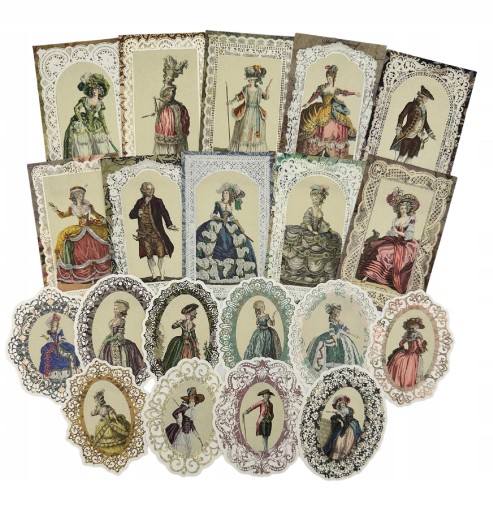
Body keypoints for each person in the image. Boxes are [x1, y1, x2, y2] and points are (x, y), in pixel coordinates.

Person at [357, 188, 420, 294]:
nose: (402, 210)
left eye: (404, 208)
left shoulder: (411, 219)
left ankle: (379, 276)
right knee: (374, 245)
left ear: (408, 209)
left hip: (405, 244)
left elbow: (409, 235)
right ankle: (367, 274)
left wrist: (397, 232)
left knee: (383, 251)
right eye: (401, 208)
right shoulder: (396, 220)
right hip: (395, 240)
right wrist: (391, 233)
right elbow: (392, 232)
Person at [49, 186, 112, 285]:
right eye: (79, 195)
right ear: (75, 196)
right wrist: (55, 209)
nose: (81, 197)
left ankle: (99, 270)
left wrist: (102, 219)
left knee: (97, 243)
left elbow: (96, 214)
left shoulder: (88, 206)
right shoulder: (72, 208)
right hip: (79, 229)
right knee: (64, 236)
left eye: (82, 195)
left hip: (90, 228)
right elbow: (62, 215)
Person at [196, 182, 257, 283]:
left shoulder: (229, 206)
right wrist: (220, 219)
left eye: (227, 193)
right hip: (218, 225)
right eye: (224, 193)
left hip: (228, 226)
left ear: (230, 195)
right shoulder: (218, 203)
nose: (224, 194)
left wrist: (241, 227)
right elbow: (213, 215)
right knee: (218, 242)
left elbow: (232, 218)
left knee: (238, 241)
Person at [281, 184, 342, 286]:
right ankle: (296, 272)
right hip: (307, 230)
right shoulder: (310, 209)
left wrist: (330, 230)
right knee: (306, 245)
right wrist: (312, 231)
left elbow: (322, 223)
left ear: (321, 199)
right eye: (313, 199)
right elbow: (307, 221)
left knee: (332, 239)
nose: (314, 200)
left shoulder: (319, 211)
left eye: (316, 199)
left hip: (315, 231)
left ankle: (318, 274)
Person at [296, 65, 361, 158]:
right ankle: (317, 149)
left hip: (331, 110)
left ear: (333, 78)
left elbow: (344, 92)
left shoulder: (335, 89)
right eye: (327, 78)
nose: (328, 79)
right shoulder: (322, 87)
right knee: (313, 121)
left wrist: (354, 93)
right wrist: (307, 103)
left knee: (341, 122)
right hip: (321, 109)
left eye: (330, 78)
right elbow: (315, 96)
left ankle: (327, 151)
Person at [129, 181, 178, 282]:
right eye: (148, 189)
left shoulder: (158, 201)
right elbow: (131, 215)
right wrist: (137, 213)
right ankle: (154, 276)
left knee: (161, 254)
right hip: (144, 234)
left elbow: (164, 213)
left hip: (157, 233)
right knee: (149, 256)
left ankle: (162, 277)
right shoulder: (139, 202)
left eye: (152, 189)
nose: (150, 191)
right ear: (143, 190)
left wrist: (169, 224)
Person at [63, 72, 116, 158]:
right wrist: (80, 121)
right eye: (93, 89)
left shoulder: (100, 103)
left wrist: (107, 132)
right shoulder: (85, 100)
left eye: (97, 89)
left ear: (100, 91)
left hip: (94, 125)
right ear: (90, 90)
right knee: (83, 145)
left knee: (100, 145)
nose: (95, 91)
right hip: (84, 122)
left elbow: (102, 118)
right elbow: (76, 108)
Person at [151, 56, 190, 156]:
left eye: (171, 79)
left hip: (170, 111)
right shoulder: (165, 86)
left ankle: (173, 152)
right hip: (163, 109)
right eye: (168, 78)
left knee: (171, 129)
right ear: (165, 77)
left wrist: (159, 99)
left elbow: (169, 99)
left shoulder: (172, 88)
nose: (169, 80)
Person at [98, 300, 147, 379]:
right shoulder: (113, 320)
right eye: (114, 308)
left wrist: (109, 339)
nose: (114, 310)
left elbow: (119, 334)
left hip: (119, 340)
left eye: (116, 309)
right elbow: (111, 333)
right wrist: (107, 339)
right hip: (112, 340)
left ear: (121, 310)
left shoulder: (121, 321)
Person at [228, 65, 271, 152]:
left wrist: (267, 90)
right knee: (245, 129)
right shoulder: (246, 89)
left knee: (255, 129)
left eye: (251, 79)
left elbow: (266, 98)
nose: (249, 81)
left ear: (255, 80)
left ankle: (254, 149)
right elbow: (239, 97)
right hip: (247, 111)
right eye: (249, 79)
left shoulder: (259, 90)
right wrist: (231, 101)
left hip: (256, 112)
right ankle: (244, 149)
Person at [306, 303, 362, 370]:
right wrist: (335, 341)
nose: (338, 315)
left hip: (338, 336)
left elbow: (346, 330)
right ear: (333, 315)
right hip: (332, 337)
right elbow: (332, 333)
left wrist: (354, 335)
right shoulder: (332, 323)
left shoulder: (340, 322)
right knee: (328, 347)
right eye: (336, 314)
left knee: (347, 345)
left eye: (338, 313)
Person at [390, 85, 436, 163]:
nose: (427, 100)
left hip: (418, 136)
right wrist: (399, 127)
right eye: (426, 98)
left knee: (411, 155)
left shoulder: (424, 110)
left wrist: (430, 132)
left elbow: (425, 122)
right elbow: (401, 115)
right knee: (402, 154)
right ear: (421, 96)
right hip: (408, 133)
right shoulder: (411, 105)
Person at [387, 317, 428, 388]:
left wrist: (403, 349)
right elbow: (420, 348)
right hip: (413, 356)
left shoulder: (407, 335)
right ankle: (407, 384)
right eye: (415, 326)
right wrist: (423, 349)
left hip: (407, 353)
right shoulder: (417, 336)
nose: (415, 327)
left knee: (403, 368)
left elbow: (400, 343)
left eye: (415, 326)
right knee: (409, 370)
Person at [160, 303, 201, 375]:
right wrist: (177, 323)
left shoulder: (193, 325)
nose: (186, 316)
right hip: (181, 341)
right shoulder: (182, 322)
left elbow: (193, 335)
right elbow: (173, 327)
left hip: (189, 342)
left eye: (187, 315)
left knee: (189, 356)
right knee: (176, 355)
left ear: (191, 315)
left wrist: (195, 342)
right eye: (185, 315)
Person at [39, 313, 80, 380]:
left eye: (56, 322)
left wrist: (60, 341)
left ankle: (74, 368)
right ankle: (48, 373)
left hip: (60, 344)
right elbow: (51, 339)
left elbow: (62, 337)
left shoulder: (60, 330)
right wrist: (46, 337)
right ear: (51, 324)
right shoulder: (51, 331)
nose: (55, 323)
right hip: (53, 345)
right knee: (46, 353)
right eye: (54, 322)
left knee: (71, 350)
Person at [90, 389, 131, 456]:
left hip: (108, 423)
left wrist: (115, 419)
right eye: (99, 399)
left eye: (98, 400)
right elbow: (93, 413)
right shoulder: (101, 408)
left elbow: (112, 414)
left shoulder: (106, 407)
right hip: (104, 423)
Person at [165, 387, 204, 456]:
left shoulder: (192, 410)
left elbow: (191, 423)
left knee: (189, 449)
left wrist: (196, 433)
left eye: (194, 399)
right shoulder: (184, 407)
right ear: (189, 400)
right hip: (182, 432)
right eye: (191, 399)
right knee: (180, 448)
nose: (193, 401)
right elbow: (174, 413)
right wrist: (178, 420)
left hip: (189, 433)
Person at [322, 395, 362, 460]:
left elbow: (348, 418)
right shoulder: (337, 413)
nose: (341, 405)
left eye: (342, 403)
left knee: (348, 440)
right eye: (339, 404)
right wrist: (339, 420)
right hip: (341, 428)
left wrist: (342, 417)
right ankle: (335, 458)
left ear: (345, 403)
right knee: (338, 442)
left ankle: (344, 457)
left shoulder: (349, 410)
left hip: (350, 426)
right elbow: (335, 420)